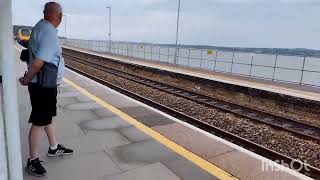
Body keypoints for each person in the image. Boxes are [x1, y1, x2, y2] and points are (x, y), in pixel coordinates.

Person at [19, 2, 73, 177]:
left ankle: (53, 147)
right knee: (39, 121)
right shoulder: (49, 32)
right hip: (42, 85)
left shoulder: (40, 27)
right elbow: (38, 62)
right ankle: (32, 161)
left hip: (43, 83)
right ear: (59, 17)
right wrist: (27, 79)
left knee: (46, 117)